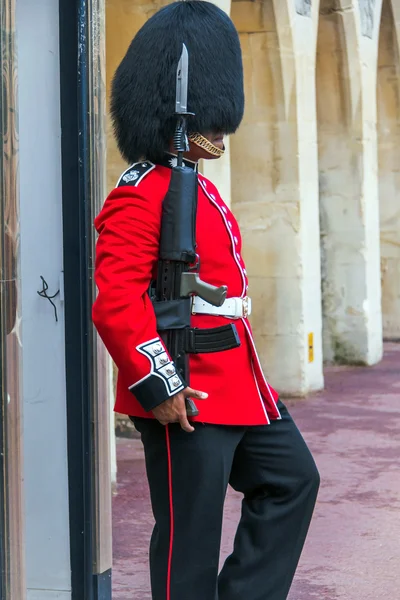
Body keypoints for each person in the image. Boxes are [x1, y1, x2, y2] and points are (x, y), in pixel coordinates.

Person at [92, 2, 320, 599]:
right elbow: (117, 300)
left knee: (293, 480)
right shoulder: (141, 194)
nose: (219, 132)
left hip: (240, 381)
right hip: (186, 386)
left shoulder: (201, 189)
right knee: (188, 542)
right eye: (210, 119)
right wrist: (160, 385)